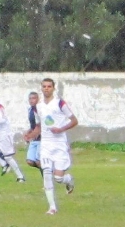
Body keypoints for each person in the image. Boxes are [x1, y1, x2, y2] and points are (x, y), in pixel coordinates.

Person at [29, 78, 78, 215]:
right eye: (44, 86)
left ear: (53, 88)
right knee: (46, 173)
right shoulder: (38, 107)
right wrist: (31, 135)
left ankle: (68, 180)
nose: (46, 88)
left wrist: (61, 129)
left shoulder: (60, 103)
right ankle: (52, 207)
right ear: (41, 88)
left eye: (49, 86)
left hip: (59, 144)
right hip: (45, 145)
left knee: (58, 178)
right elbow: (39, 126)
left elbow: (74, 120)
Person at [23, 91, 42, 175]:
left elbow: (41, 125)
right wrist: (28, 132)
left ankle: (47, 182)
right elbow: (33, 125)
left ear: (38, 99)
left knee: (39, 161)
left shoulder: (40, 109)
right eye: (30, 98)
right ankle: (48, 170)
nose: (31, 100)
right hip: (34, 139)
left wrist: (33, 134)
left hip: (42, 139)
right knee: (30, 161)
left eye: (33, 98)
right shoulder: (30, 110)